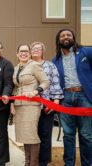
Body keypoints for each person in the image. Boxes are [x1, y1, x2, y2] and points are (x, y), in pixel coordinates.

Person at [52, 29, 92, 166]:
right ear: (58, 40)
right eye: (62, 36)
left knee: (86, 135)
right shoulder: (55, 59)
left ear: (73, 37)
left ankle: (87, 163)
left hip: (84, 97)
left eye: (68, 35)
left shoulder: (86, 52)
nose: (66, 37)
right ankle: (69, 164)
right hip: (66, 98)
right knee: (68, 135)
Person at [10, 44, 49, 166]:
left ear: (30, 53)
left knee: (31, 134)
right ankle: (27, 162)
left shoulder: (34, 65)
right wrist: (12, 103)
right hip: (19, 105)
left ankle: (33, 163)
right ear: (17, 54)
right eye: (21, 51)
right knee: (24, 135)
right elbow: (15, 87)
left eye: (26, 51)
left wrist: (36, 91)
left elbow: (46, 81)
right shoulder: (16, 68)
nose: (24, 53)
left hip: (31, 105)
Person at [30, 42, 63, 166]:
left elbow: (55, 83)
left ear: (43, 51)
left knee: (45, 135)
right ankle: (32, 161)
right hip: (29, 107)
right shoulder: (26, 64)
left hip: (46, 106)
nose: (36, 50)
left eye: (39, 48)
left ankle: (43, 162)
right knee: (31, 135)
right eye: (33, 48)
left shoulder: (50, 65)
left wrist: (54, 102)